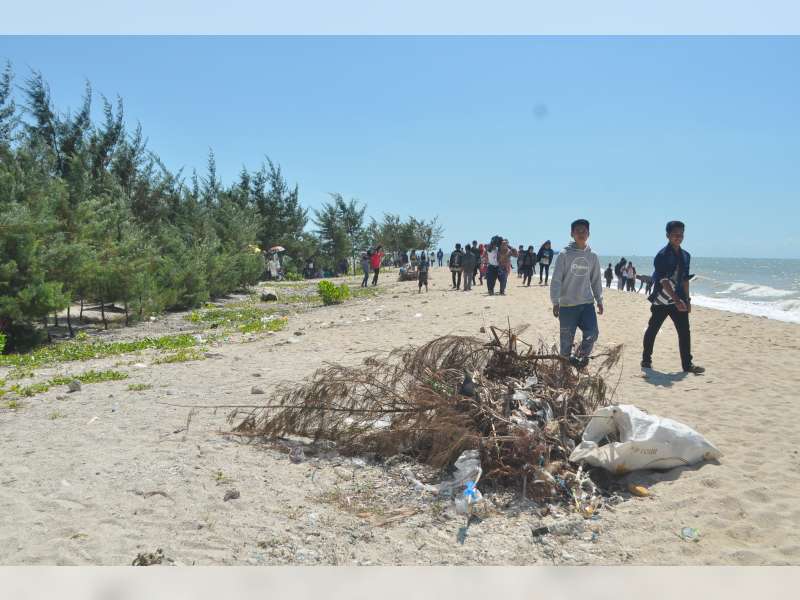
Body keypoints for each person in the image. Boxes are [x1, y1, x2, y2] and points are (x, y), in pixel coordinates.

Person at [642, 221, 704, 374]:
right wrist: (677, 300)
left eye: (681, 234)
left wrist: (687, 301)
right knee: (653, 329)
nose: (679, 237)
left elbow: (684, 280)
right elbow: (663, 281)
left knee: (684, 332)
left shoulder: (686, 256)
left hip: (679, 301)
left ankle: (687, 365)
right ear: (668, 235)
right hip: (661, 301)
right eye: (675, 234)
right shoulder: (662, 256)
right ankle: (646, 360)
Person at [550, 219, 604, 368]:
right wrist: (555, 301)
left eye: (584, 231)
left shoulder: (592, 256)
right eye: (578, 231)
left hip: (587, 304)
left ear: (589, 234)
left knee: (592, 333)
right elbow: (556, 280)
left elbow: (596, 280)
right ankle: (564, 372)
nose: (581, 233)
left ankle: (579, 357)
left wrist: (599, 300)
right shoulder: (564, 254)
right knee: (566, 342)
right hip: (567, 305)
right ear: (572, 234)